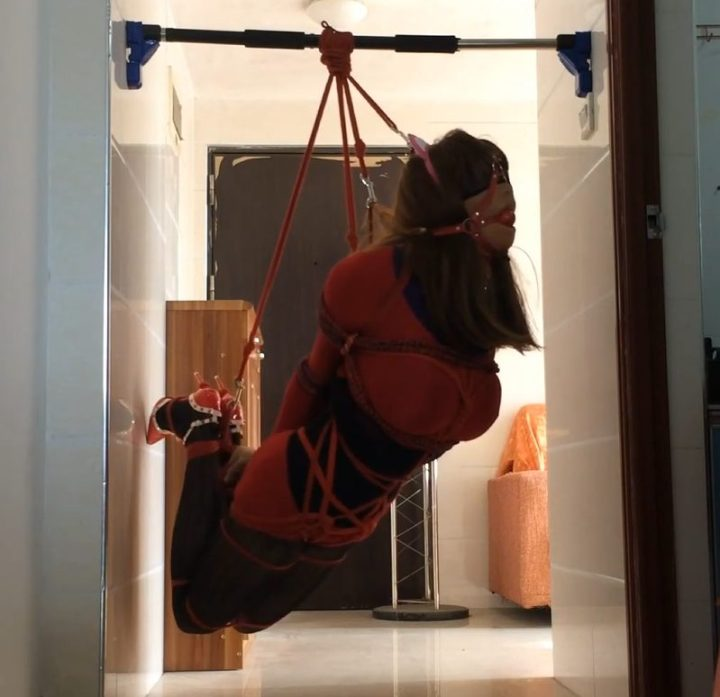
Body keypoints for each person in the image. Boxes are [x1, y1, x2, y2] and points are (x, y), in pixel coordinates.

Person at [147, 128, 539, 635]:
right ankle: (201, 426)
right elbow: (311, 381)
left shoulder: (481, 310)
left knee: (246, 622)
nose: (505, 199)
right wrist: (267, 461)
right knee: (195, 618)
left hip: (352, 522)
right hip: (291, 486)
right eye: (490, 183)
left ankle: (223, 441)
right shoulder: (377, 278)